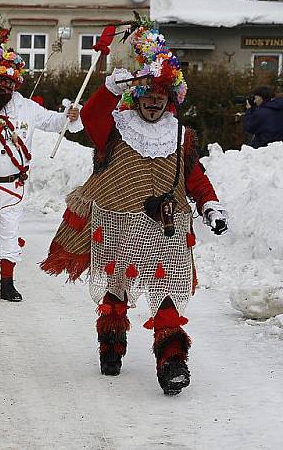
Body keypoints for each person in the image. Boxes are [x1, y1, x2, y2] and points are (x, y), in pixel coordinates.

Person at [41, 23, 228, 395]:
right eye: (147, 96)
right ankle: (112, 346)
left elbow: (194, 177)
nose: (154, 103)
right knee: (116, 291)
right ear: (137, 98)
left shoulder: (181, 136)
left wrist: (210, 205)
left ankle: (172, 363)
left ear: (170, 100)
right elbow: (91, 118)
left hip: (166, 230)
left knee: (169, 294)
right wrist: (111, 88)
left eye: (161, 97)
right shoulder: (116, 128)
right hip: (118, 224)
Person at [0, 27, 82, 302]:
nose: (3, 86)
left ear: (15, 84)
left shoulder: (27, 108)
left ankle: (7, 284)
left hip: (14, 188)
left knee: (9, 238)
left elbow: (53, 122)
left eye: (8, 82)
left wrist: (69, 116)